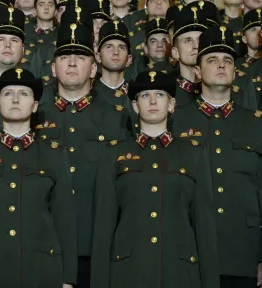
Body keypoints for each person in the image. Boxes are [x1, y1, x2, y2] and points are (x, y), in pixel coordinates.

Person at [91, 70, 219, 288]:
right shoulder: (114, 154)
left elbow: (204, 226)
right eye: (144, 96)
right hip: (129, 273)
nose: (152, 101)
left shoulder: (194, 153)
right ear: (135, 106)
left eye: (160, 95)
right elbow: (103, 227)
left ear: (171, 105)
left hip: (180, 272)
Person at [171, 25, 262, 288]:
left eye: (228, 61)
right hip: (188, 251)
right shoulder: (176, 119)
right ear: (197, 71)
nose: (221, 66)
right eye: (212, 60)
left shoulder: (257, 123)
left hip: (243, 251)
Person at [36, 15, 131, 287]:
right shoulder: (36, 118)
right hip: (46, 244)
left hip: (99, 245)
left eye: (81, 56)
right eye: (65, 57)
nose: (73, 62)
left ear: (93, 69)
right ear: (53, 68)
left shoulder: (117, 118)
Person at [0, 68, 77, 287]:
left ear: (35, 106)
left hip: (42, 270)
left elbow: (64, 218)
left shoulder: (54, 154)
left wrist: (68, 279)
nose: (15, 99)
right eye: (7, 94)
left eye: (24, 94)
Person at [93, 20, 133, 115]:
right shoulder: (90, 92)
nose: (115, 52)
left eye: (121, 47)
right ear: (98, 57)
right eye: (109, 47)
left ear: (129, 59)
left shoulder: (136, 93)